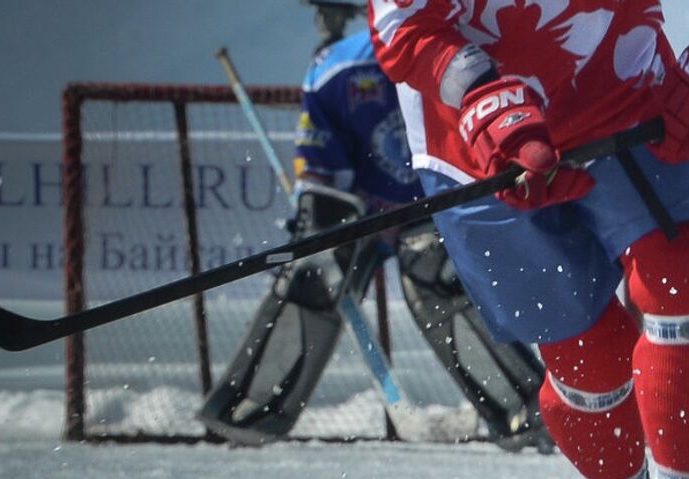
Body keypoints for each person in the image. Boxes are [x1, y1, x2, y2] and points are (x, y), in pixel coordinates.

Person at [370, 0, 689, 479]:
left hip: (621, 89)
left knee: (683, 277)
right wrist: (483, 93)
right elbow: (404, 24)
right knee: (591, 354)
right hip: (473, 136)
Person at [201, 0, 550, 450]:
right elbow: (321, 173)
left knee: (436, 276)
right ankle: (248, 413)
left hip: (433, 204)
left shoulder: (462, 59)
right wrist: (321, 214)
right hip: (360, 211)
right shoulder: (334, 72)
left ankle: (525, 409)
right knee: (313, 271)